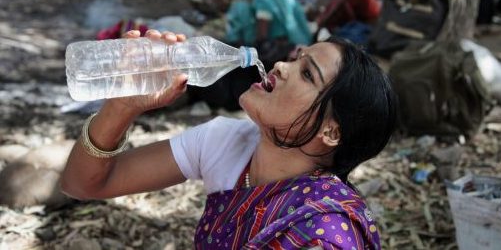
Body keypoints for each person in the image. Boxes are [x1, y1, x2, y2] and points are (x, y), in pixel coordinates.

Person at [61, 29, 398, 249]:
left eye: (307, 74)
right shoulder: (226, 140)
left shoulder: (325, 234)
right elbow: (83, 184)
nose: (280, 66)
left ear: (331, 131)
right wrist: (123, 104)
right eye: (296, 58)